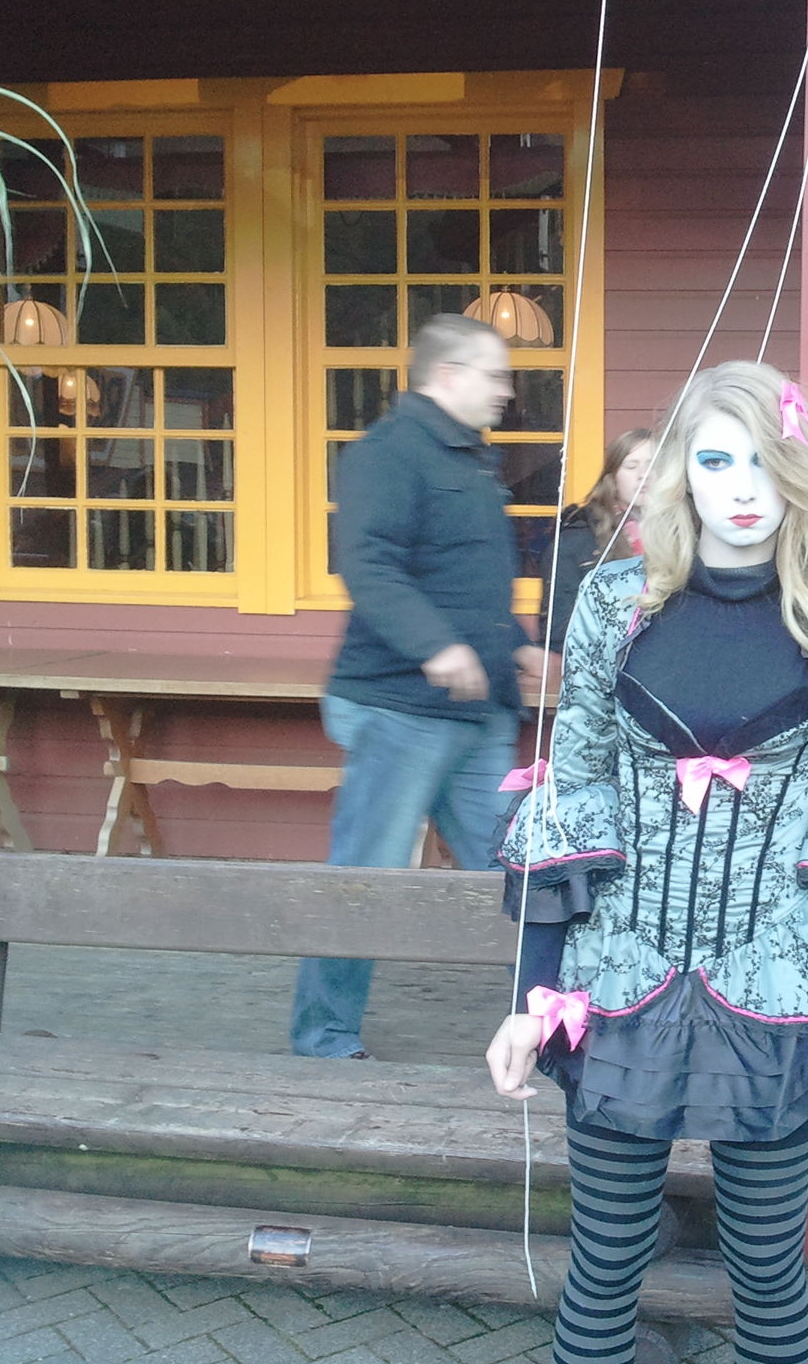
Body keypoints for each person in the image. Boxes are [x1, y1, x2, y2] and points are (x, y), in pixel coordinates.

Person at [486, 361, 808, 1364]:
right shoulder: (616, 603)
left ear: (800, 472)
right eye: (717, 461)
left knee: (769, 1272)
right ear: (679, 473)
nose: (743, 488)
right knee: (605, 1262)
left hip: (777, 983)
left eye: (766, 463)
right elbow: (570, 800)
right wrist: (529, 999)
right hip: (617, 980)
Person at [291, 314, 550, 1060]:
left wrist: (516, 648)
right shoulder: (388, 454)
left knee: (515, 876)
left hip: (479, 712)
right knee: (365, 878)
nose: (506, 391)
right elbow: (368, 566)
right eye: (495, 375)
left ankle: (552, 1025)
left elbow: (466, 581)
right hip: (397, 709)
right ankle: (323, 1039)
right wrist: (434, 645)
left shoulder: (472, 459)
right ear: (446, 375)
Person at [541, 427, 655, 655]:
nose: (644, 474)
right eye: (631, 466)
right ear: (612, 478)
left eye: (654, 465)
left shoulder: (689, 533)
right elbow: (559, 629)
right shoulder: (577, 538)